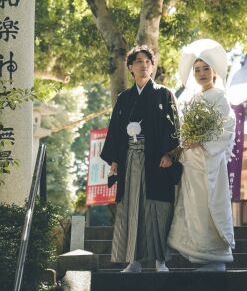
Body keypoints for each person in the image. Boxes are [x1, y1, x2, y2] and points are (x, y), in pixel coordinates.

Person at [100, 45, 180, 273]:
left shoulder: (164, 94)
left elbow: (173, 126)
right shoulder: (124, 98)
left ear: (152, 66)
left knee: (158, 208)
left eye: (147, 61)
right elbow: (115, 130)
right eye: (138, 61)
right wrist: (115, 160)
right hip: (129, 157)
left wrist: (169, 153)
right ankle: (133, 261)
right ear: (130, 68)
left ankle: (160, 260)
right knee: (131, 207)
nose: (144, 65)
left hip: (156, 158)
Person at [168, 41, 236, 272]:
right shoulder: (191, 99)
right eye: (196, 70)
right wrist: (183, 143)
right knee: (192, 206)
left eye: (205, 68)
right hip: (191, 161)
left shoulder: (220, 98)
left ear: (214, 71)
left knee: (209, 205)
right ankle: (196, 254)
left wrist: (202, 142)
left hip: (210, 163)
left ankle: (215, 257)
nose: (201, 74)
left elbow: (226, 128)